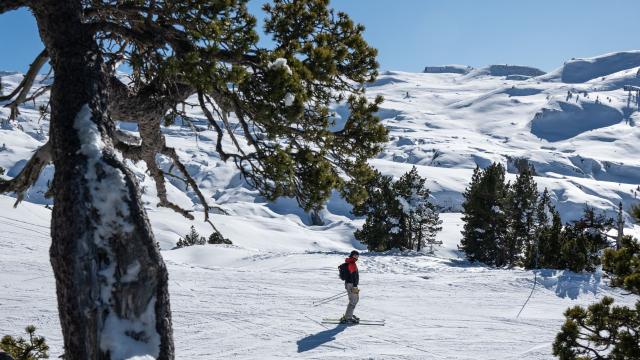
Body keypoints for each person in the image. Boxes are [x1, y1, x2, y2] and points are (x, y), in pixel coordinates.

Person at [340, 250, 360, 324]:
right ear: (352, 255)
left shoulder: (350, 262)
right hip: (351, 284)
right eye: (355, 256)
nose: (357, 257)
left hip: (350, 284)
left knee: (355, 299)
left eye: (357, 256)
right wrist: (355, 286)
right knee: (353, 301)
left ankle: (349, 314)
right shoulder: (352, 264)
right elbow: (353, 276)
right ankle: (348, 317)